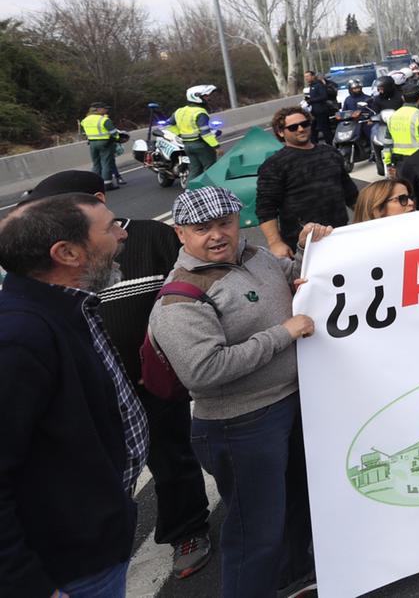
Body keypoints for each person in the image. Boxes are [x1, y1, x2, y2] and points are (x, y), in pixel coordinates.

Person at [20, 172, 213, 580]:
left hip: (154, 383)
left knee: (172, 458)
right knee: (99, 471)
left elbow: (187, 291)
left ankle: (187, 529)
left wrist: (167, 359)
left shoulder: (151, 237)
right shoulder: (48, 267)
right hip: (92, 394)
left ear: (97, 200)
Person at [147, 187, 320, 598]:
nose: (217, 235)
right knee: (255, 530)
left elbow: (299, 275)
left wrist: (312, 246)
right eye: (201, 228)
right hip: (240, 423)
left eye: (224, 223)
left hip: (292, 403)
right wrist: (282, 334)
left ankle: (295, 581)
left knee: (297, 505)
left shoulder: (256, 256)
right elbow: (204, 371)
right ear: (180, 234)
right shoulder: (180, 296)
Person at [0, 193, 146, 598]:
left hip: (96, 537)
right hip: (68, 570)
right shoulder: (19, 338)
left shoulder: (67, 307)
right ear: (66, 252)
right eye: (111, 227)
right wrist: (29, 586)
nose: (122, 235)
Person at [257, 106, 357, 260]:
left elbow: (351, 195)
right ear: (281, 132)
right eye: (293, 127)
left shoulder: (330, 153)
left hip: (339, 236)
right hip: (303, 245)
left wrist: (374, 216)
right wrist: (275, 243)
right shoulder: (274, 165)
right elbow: (265, 209)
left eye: (304, 124)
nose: (300, 129)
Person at [172, 84, 222, 175]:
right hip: (201, 146)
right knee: (211, 170)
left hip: (187, 146)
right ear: (196, 97)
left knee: (195, 171)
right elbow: (205, 133)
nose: (209, 98)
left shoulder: (179, 111)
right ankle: (211, 188)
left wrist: (180, 134)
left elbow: (169, 125)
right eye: (206, 96)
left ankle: (190, 189)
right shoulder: (200, 112)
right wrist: (216, 147)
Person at [385, 84, 419, 177]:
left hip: (399, 163)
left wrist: (388, 163)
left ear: (403, 98)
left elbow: (387, 143)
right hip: (418, 161)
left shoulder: (393, 116)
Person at [81, 100, 121, 190]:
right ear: (98, 109)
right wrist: (118, 139)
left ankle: (95, 184)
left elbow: (84, 133)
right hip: (105, 143)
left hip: (92, 143)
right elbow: (114, 133)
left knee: (96, 163)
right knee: (106, 163)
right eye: (104, 108)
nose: (106, 110)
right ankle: (107, 184)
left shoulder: (84, 120)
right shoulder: (104, 120)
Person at [302, 70, 337, 145]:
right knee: (312, 129)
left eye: (308, 76)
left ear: (313, 76)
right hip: (314, 111)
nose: (306, 78)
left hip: (321, 110)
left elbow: (323, 96)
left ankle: (330, 145)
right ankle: (313, 145)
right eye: (305, 77)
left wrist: (311, 100)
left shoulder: (318, 85)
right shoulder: (312, 85)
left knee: (325, 129)